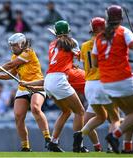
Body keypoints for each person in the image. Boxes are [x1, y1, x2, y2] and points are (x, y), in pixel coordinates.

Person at [21, 20, 85, 152]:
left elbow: (61, 59)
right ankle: (78, 145)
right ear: (68, 31)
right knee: (80, 112)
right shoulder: (72, 42)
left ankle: (53, 142)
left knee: (66, 111)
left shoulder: (52, 44)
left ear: (56, 33)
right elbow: (83, 59)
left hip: (49, 79)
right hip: (60, 79)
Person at [0, 33, 51, 151]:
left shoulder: (28, 52)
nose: (12, 48)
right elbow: (11, 75)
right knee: (18, 116)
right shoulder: (14, 57)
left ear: (22, 44)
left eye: (15, 46)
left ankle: (48, 139)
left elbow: (10, 65)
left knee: (35, 108)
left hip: (37, 85)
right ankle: (25, 146)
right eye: (11, 46)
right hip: (23, 89)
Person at [92, 5, 133, 153]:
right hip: (123, 79)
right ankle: (115, 135)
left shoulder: (99, 37)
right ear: (120, 18)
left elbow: (95, 63)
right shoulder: (123, 32)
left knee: (131, 114)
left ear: (107, 18)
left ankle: (127, 148)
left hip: (107, 83)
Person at [80, 17, 120, 152]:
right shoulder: (106, 43)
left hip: (90, 86)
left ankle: (83, 139)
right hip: (104, 82)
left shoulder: (84, 45)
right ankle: (110, 147)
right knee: (114, 118)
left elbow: (84, 62)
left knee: (92, 120)